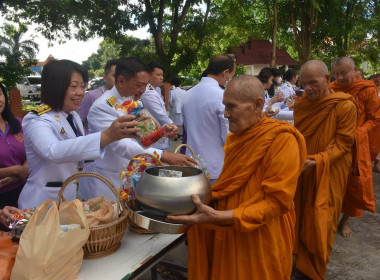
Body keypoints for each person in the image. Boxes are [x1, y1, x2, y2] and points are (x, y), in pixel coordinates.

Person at [168, 75, 306, 280]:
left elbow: (277, 202)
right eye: (225, 106)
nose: (225, 114)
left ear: (258, 105)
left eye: (231, 107)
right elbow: (233, 183)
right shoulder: (236, 136)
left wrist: (222, 217)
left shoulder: (283, 140)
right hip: (230, 229)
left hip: (261, 236)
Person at [18, 59, 141, 209]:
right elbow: (53, 151)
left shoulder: (73, 116)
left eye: (82, 86)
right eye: (74, 87)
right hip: (41, 203)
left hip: (67, 199)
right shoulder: (37, 119)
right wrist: (106, 136)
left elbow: (78, 154)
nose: (80, 93)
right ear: (55, 87)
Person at [81, 58, 196, 200]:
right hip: (109, 181)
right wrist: (163, 156)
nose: (143, 90)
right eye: (139, 85)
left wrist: (162, 132)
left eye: (146, 85)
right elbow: (121, 146)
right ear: (122, 81)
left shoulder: (134, 102)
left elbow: (142, 137)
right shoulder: (103, 107)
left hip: (130, 176)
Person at [293, 60, 357, 280]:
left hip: (330, 171)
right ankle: (299, 260)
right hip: (304, 170)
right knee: (301, 215)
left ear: (328, 79)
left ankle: (313, 270)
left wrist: (318, 161)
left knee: (323, 218)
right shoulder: (302, 105)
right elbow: (299, 138)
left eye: (313, 82)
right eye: (304, 83)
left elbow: (343, 144)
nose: (308, 88)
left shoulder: (345, 105)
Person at [329, 57, 380, 237]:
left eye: (344, 73)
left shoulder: (367, 89)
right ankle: (331, 217)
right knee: (333, 183)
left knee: (354, 185)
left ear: (354, 70)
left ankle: (346, 220)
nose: (340, 77)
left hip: (357, 144)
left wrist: (358, 132)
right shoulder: (331, 89)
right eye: (336, 74)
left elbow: (374, 119)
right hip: (334, 142)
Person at [182, 54, 235, 185]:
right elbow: (228, 135)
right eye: (232, 76)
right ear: (226, 73)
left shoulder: (188, 94)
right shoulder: (221, 96)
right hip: (215, 166)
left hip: (191, 163)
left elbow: (187, 129)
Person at [0, 82, 28, 210]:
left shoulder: (17, 123)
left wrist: (23, 172)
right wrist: (16, 170)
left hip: (26, 190)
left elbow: (31, 152)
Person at [141, 62, 177, 150]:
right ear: (148, 76)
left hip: (162, 133)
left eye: (162, 75)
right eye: (158, 75)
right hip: (155, 136)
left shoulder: (156, 89)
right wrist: (172, 125)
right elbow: (160, 114)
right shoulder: (148, 92)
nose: (161, 78)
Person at [77, 59, 119, 134]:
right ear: (105, 77)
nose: (119, 80)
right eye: (115, 76)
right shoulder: (91, 96)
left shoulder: (125, 97)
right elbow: (78, 121)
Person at [368, 74, 380, 172]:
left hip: (377, 122)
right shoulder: (367, 91)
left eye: (378, 81)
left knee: (377, 146)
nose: (376, 83)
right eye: (374, 81)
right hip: (369, 122)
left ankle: (376, 163)